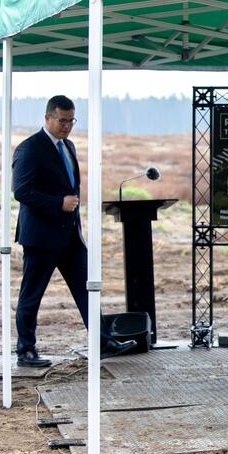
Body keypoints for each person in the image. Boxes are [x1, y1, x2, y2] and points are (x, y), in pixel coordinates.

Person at [12, 95, 137, 367]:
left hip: (70, 236)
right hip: (41, 237)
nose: (67, 126)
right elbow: (21, 191)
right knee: (32, 294)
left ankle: (103, 342)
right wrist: (59, 204)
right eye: (62, 120)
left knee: (87, 290)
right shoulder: (29, 149)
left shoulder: (68, 146)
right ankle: (25, 350)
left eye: (71, 121)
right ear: (47, 118)